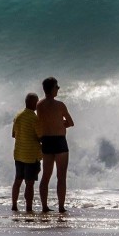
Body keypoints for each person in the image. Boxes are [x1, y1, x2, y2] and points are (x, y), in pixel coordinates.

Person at [36, 77, 74, 213]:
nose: (58, 89)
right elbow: (70, 122)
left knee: (46, 175)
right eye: (57, 87)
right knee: (61, 176)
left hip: (46, 141)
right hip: (59, 141)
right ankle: (61, 207)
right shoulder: (60, 105)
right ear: (52, 89)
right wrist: (60, 124)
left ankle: (44, 206)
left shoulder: (39, 105)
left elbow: (39, 123)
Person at [11, 93, 42, 212]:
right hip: (31, 155)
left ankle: (14, 205)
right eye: (37, 102)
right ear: (33, 103)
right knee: (30, 184)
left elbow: (14, 134)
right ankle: (29, 207)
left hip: (19, 153)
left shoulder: (18, 116)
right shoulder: (34, 118)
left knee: (17, 180)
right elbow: (40, 137)